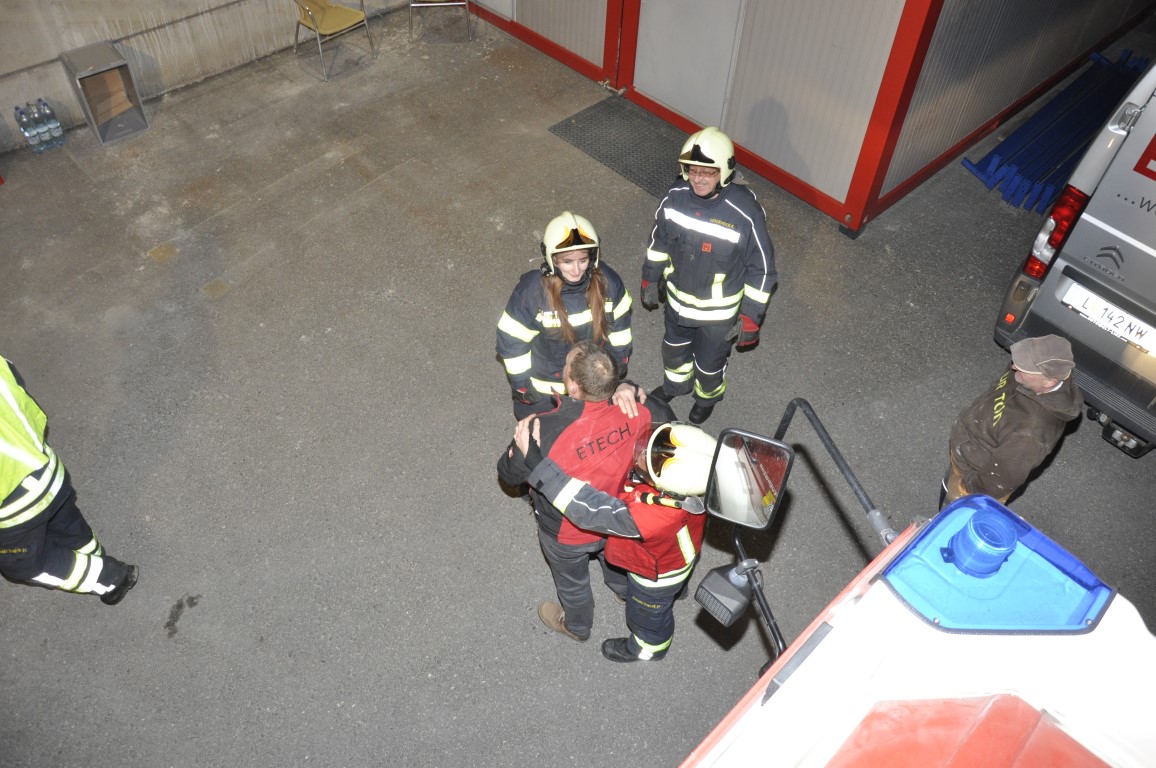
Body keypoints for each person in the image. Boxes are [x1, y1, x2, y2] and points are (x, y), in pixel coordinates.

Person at [518, 420, 715, 663]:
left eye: (651, 462)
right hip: (677, 554)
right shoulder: (695, 481)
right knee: (667, 592)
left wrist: (538, 465)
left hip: (655, 578)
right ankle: (675, 592)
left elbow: (587, 508)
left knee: (646, 617)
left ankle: (648, 648)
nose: (642, 455)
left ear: (669, 490)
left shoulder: (649, 517)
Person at [497, 341, 653, 642]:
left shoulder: (542, 430)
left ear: (573, 386)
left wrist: (521, 444)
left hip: (565, 532)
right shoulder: (639, 412)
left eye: (567, 367)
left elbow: (508, 473)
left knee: (572, 581)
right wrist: (630, 388)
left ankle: (578, 626)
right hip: (616, 515)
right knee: (616, 557)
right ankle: (625, 592)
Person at [641, 126, 778, 425]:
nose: (698, 179)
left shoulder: (744, 212)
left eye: (708, 172)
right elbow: (658, 242)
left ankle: (707, 397)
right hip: (677, 303)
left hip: (717, 316)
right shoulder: (674, 197)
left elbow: (763, 270)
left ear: (724, 172)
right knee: (673, 352)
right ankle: (675, 386)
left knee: (709, 364)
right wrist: (650, 278)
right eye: (692, 170)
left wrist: (750, 317)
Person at [0, 356, 138, 604]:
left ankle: (111, 578)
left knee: (23, 565)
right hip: (43, 465)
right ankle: (94, 556)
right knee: (63, 521)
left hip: (13, 503)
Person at [498, 211, 634, 419]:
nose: (576, 270)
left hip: (591, 384)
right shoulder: (532, 292)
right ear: (552, 259)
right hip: (546, 391)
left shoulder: (609, 283)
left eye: (583, 260)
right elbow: (512, 341)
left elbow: (621, 330)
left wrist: (614, 368)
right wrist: (522, 385)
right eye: (567, 261)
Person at [942, 335, 1083, 508]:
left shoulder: (1030, 433)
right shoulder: (1030, 377)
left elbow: (1001, 478)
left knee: (951, 512)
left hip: (974, 475)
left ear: (1049, 382)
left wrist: (967, 488)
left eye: (1024, 368)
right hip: (968, 448)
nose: (1014, 366)